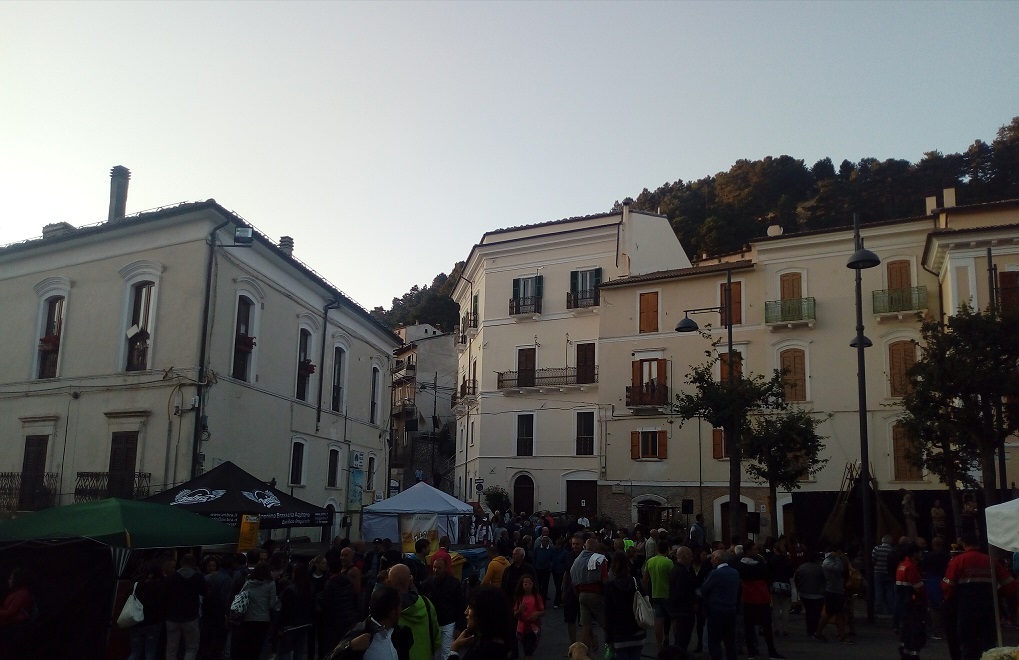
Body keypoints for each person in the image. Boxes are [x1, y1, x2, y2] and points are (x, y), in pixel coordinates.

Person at [942, 532, 1018, 660]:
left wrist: (949, 601)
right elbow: (1010, 586)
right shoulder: (991, 561)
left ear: (964, 544)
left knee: (968, 645)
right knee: (989, 647)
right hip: (988, 610)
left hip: (966, 610)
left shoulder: (957, 561)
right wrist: (997, 595)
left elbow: (947, 587)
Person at [325, 585, 410, 660]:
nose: (401, 610)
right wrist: (350, 647)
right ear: (393, 613)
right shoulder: (360, 634)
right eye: (400, 607)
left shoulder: (400, 634)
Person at [737, 540, 784, 659]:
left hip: (748, 597)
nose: (756, 551)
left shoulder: (741, 565)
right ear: (748, 551)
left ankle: (751, 653)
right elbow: (767, 576)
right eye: (754, 549)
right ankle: (771, 651)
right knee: (766, 625)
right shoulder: (760, 564)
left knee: (749, 626)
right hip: (760, 596)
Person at [388, 563, 441, 660]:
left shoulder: (386, 608)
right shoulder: (426, 604)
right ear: (410, 581)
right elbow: (436, 639)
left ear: (389, 582)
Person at [447, 587, 513, 660]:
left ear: (483, 613)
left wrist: (454, 649)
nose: (465, 612)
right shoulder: (490, 643)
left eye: (470, 608)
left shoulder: (486, 652)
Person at [604, 551, 647, 660]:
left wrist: (608, 638)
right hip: (637, 631)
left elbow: (608, 614)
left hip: (619, 634)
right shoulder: (635, 582)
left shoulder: (610, 586)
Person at [569, 533, 608, 654]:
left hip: (582, 595)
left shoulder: (577, 561)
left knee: (585, 626)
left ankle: (584, 654)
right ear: (596, 548)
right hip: (596, 594)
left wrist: (578, 593)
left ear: (585, 547)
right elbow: (605, 580)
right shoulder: (600, 559)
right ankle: (611, 649)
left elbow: (573, 579)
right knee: (606, 624)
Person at [420, 554, 464, 660]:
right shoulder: (426, 584)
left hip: (449, 623)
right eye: (434, 567)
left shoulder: (454, 584)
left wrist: (459, 627)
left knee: (447, 652)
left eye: (439, 568)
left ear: (445, 569)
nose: (436, 570)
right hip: (433, 623)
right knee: (436, 653)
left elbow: (460, 605)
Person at [166, 554, 208, 660]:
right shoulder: (198, 577)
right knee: (191, 649)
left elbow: (164, 596)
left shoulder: (171, 577)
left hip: (172, 618)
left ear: (180, 563)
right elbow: (205, 593)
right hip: (191, 618)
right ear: (194, 564)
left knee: (171, 649)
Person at [700, 550, 741, 660]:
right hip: (731, 609)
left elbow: (704, 589)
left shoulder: (715, 573)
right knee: (730, 641)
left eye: (712, 558)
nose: (711, 561)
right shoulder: (735, 573)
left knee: (714, 641)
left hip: (716, 610)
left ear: (717, 559)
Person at [232, 560, 278, 660]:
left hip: (248, 619)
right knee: (257, 647)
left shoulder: (249, 583)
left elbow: (241, 596)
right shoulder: (271, 584)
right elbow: (271, 605)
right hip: (263, 620)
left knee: (247, 646)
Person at [127, 561, 166, 660]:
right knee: (150, 652)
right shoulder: (160, 586)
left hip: (135, 622)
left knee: (135, 653)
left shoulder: (136, 585)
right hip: (153, 622)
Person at [277, 562, 316, 660]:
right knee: (299, 651)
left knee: (285, 651)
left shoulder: (289, 590)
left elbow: (285, 611)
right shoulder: (309, 588)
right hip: (304, 624)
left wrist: (279, 626)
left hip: (290, 625)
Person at [895, 543, 927, 660]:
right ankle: (913, 653)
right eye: (919, 552)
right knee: (915, 628)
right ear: (914, 553)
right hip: (913, 603)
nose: (921, 554)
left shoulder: (902, 565)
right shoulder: (911, 566)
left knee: (906, 627)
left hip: (904, 601)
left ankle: (905, 650)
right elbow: (919, 587)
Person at [814, 546, 850, 644]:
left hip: (838, 590)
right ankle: (818, 633)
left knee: (839, 614)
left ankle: (841, 635)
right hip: (832, 591)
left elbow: (845, 566)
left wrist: (842, 557)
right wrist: (838, 557)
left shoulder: (835, 560)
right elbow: (839, 568)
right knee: (830, 614)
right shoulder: (827, 562)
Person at [643, 539, 673, 651]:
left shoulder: (650, 561)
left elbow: (645, 579)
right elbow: (673, 579)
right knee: (673, 618)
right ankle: (672, 641)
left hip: (655, 594)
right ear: (667, 549)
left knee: (659, 620)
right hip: (667, 594)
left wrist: (646, 592)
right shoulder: (668, 562)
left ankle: (659, 645)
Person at [667, 546, 698, 651]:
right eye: (690, 556)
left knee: (681, 640)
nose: (692, 559)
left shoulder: (681, 570)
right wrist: (693, 603)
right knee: (682, 641)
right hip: (683, 612)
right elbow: (683, 592)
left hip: (679, 611)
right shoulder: (681, 572)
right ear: (684, 557)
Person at [793, 552, 825, 638]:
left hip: (804, 593)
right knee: (816, 613)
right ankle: (815, 630)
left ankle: (810, 629)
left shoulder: (802, 567)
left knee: (809, 612)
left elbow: (796, 578)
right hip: (818, 594)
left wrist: (799, 587)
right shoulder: (820, 569)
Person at [513, 574, 545, 660]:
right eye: (525, 584)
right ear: (522, 585)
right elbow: (515, 614)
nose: (528, 586)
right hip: (522, 629)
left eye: (530, 583)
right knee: (526, 649)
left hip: (533, 628)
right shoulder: (519, 598)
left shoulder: (536, 597)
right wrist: (520, 610)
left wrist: (537, 613)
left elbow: (542, 611)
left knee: (528, 650)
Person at [767, 538, 793, 638]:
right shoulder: (787, 560)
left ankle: (776, 628)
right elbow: (791, 573)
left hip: (775, 585)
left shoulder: (771, 560)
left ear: (775, 549)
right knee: (785, 609)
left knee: (776, 608)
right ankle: (785, 628)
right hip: (785, 584)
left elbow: (769, 573)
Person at [872, 535, 896, 617]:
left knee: (878, 591)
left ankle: (878, 609)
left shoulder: (876, 548)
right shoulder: (892, 550)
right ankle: (891, 609)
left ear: (882, 541)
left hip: (878, 572)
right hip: (888, 573)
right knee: (890, 591)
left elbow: (873, 560)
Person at [532, 527, 556, 603]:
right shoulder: (537, 548)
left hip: (546, 570)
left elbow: (553, 559)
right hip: (538, 569)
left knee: (545, 585)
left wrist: (550, 567)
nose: (545, 542)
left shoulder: (551, 550)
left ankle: (543, 600)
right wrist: (535, 566)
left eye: (546, 541)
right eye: (544, 541)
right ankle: (538, 599)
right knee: (538, 585)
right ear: (541, 541)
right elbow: (534, 557)